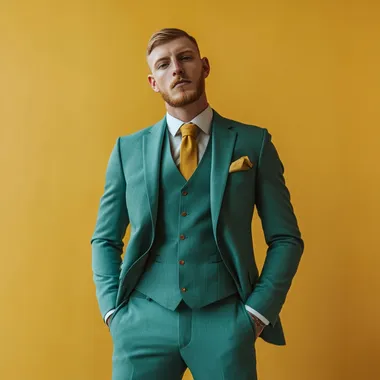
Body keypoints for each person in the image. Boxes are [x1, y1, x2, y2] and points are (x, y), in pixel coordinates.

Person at [91, 27, 304, 380]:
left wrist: (257, 313)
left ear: (204, 66)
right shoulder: (127, 151)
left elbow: (286, 238)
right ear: (153, 82)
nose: (176, 68)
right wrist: (113, 311)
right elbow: (105, 238)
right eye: (164, 64)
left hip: (226, 319)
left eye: (185, 57)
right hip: (143, 321)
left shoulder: (254, 143)